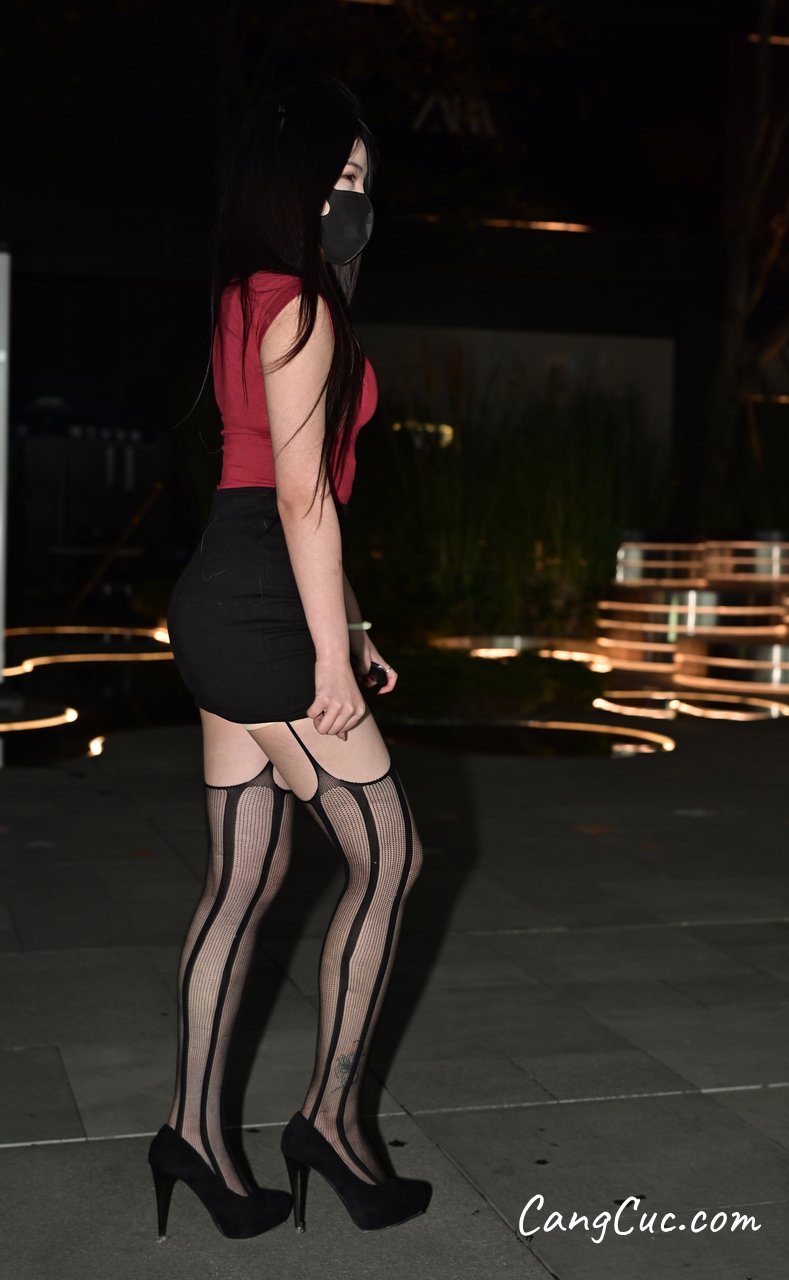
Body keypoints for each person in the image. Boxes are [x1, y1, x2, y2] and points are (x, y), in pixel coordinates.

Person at [147, 77, 428, 1241]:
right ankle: (330, 1120)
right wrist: (330, 657)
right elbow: (304, 501)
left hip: (227, 592)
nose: (356, 195)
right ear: (290, 181)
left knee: (244, 879)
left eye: (364, 178)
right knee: (391, 857)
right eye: (339, 175)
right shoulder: (301, 309)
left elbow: (273, 482)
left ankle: (193, 1137)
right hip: (267, 609)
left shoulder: (246, 294)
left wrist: (351, 623)